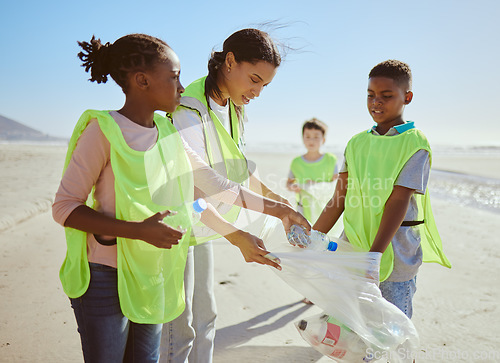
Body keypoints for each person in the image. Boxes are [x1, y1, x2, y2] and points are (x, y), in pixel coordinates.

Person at [52, 33, 309, 362]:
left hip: (152, 269)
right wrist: (138, 231)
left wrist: (280, 209)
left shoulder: (168, 131)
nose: (182, 86)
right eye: (174, 77)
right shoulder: (103, 130)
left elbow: (211, 180)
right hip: (105, 273)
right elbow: (64, 207)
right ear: (142, 81)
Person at [161, 28, 295, 363]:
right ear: (229, 61)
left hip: (204, 226)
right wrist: (242, 232)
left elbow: (240, 166)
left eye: (264, 85)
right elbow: (199, 184)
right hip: (175, 224)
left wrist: (278, 200)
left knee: (206, 316)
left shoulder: (233, 105)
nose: (257, 92)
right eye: (254, 79)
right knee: (180, 325)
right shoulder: (188, 107)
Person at [312, 59, 451, 319]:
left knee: (394, 327)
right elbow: (339, 199)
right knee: (351, 321)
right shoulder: (356, 143)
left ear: (407, 97)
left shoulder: (415, 144)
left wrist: (374, 256)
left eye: (386, 96)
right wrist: (312, 236)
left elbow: (398, 201)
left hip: (395, 253)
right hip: (352, 247)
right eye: (371, 95)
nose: (376, 102)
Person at [286, 118, 338, 223]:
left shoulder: (330, 159)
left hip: (325, 206)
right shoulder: (296, 162)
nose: (311, 140)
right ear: (303, 138)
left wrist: (316, 186)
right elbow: (289, 183)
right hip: (304, 207)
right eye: (308, 137)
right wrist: (294, 187)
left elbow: (336, 184)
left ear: (323, 139)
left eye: (316, 137)